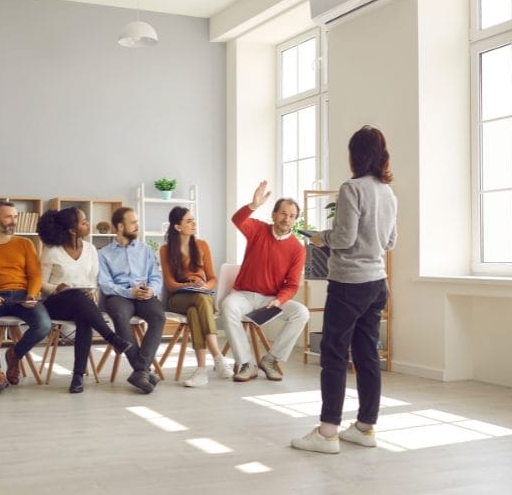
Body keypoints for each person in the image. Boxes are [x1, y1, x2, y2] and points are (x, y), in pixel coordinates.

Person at [291, 125, 397, 454]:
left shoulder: (352, 188)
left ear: (356, 154)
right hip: (377, 283)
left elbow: (345, 239)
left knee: (334, 356)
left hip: (349, 284)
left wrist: (322, 237)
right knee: (367, 356)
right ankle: (365, 427)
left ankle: (327, 433)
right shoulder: (388, 193)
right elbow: (391, 241)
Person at [219, 183, 310, 382]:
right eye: (283, 214)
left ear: (295, 219)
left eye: (292, 216)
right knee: (227, 306)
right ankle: (246, 364)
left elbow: (292, 285)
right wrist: (253, 205)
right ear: (274, 214)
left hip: (270, 300)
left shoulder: (297, 249)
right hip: (243, 294)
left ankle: (270, 359)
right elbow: (237, 219)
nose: (287, 219)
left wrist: (279, 300)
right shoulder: (258, 229)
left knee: (301, 312)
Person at [37, 207, 133, 393]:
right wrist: (56, 288)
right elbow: (41, 283)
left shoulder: (90, 249)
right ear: (72, 230)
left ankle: (78, 377)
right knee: (77, 299)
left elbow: (92, 280)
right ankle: (111, 338)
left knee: (84, 316)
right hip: (55, 303)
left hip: (83, 303)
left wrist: (91, 291)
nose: (88, 224)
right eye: (83, 222)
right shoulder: (52, 251)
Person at [0, 201, 52, 390]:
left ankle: (14, 353)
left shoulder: (25, 244)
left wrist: (32, 294)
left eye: (15, 217)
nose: (13, 221)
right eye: (9, 217)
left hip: (23, 296)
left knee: (44, 324)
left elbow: (35, 275)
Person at [160, 206, 233, 387]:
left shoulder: (202, 245)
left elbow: (213, 278)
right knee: (199, 301)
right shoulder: (165, 250)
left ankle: (201, 370)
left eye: (194, 220)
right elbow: (169, 284)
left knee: (195, 310)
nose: (194, 223)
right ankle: (217, 356)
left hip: (201, 295)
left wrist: (204, 285)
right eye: (189, 221)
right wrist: (188, 285)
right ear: (177, 227)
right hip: (177, 298)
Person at [98, 207, 166, 394]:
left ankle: (140, 370)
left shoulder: (145, 250)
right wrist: (129, 292)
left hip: (144, 294)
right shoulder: (103, 254)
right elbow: (105, 284)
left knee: (158, 317)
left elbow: (156, 276)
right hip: (119, 296)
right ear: (120, 226)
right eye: (133, 222)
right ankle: (142, 370)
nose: (138, 226)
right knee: (119, 315)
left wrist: (151, 290)